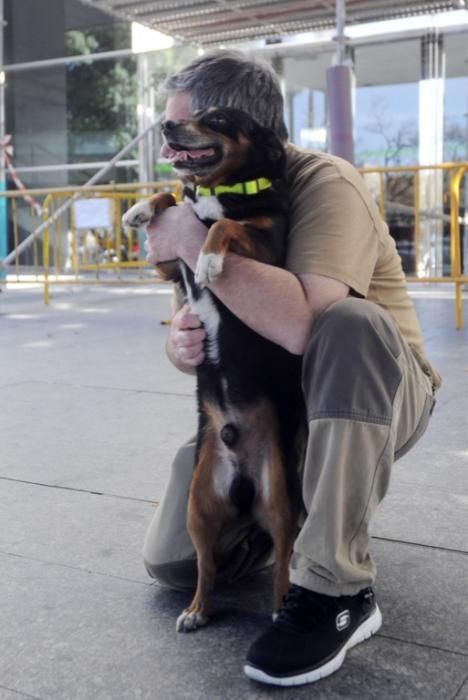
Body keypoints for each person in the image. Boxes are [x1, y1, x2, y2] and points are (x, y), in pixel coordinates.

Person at [141, 50, 441, 686]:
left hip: (375, 393)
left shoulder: (325, 182)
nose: (174, 142)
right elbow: (197, 315)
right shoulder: (201, 197)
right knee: (173, 562)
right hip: (269, 407)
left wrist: (194, 239)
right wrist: (179, 343)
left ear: (251, 130)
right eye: (168, 130)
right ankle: (299, 518)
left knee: (349, 322)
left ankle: (336, 590)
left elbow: (309, 326)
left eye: (189, 130)